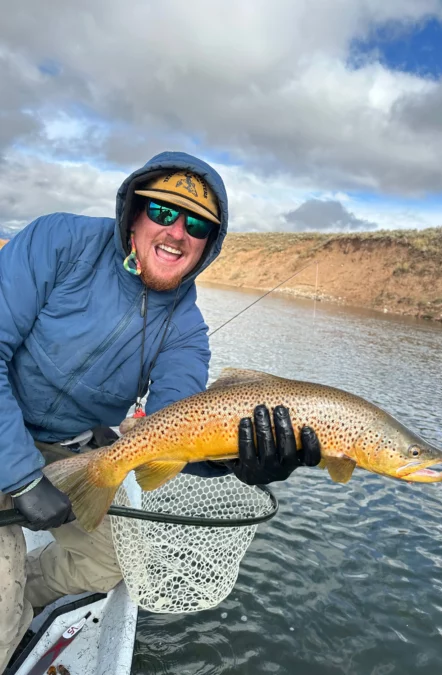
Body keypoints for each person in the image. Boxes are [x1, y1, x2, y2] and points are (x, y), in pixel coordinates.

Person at [0, 151, 321, 669]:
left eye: (197, 225)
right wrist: (20, 477)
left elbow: (178, 426)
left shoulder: (187, 332)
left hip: (68, 446)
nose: (177, 233)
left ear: (209, 244)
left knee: (108, 564)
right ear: (134, 213)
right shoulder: (58, 240)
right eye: (163, 212)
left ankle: (19, 592)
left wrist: (234, 461)